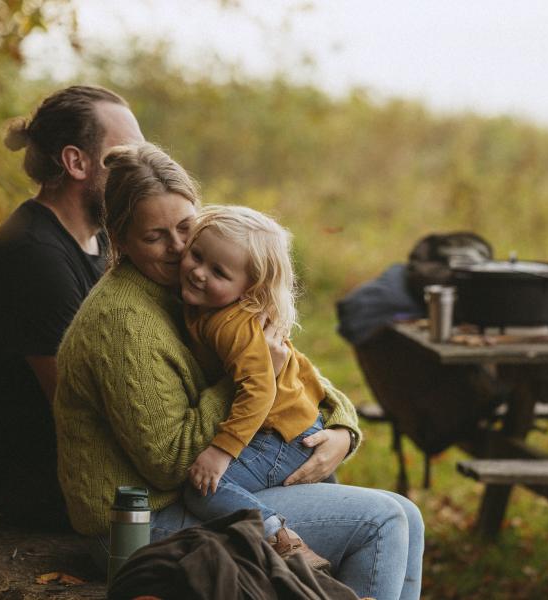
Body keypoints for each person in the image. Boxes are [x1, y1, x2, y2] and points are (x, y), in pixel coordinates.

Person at [54, 141, 424, 599]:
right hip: (147, 520)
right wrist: (241, 381)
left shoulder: (201, 284)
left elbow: (291, 368)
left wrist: (343, 429)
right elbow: (171, 464)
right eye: (154, 236)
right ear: (121, 238)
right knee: (382, 521)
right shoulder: (124, 321)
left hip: (212, 488)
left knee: (407, 514)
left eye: (185, 227)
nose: (176, 249)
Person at [0, 85, 143, 528]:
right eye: (126, 154)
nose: (140, 167)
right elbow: (79, 411)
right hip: (53, 491)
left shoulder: (102, 240)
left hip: (102, 472)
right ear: (76, 162)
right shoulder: (33, 257)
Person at [179, 204, 332, 569]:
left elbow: (259, 392)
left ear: (250, 289)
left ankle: (279, 536)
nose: (199, 273)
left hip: (283, 434)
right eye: (196, 256)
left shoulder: (233, 326)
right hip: (285, 425)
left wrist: (221, 451)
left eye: (218, 272)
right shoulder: (205, 307)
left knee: (201, 491)